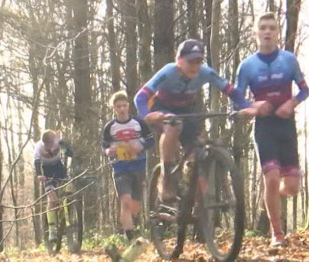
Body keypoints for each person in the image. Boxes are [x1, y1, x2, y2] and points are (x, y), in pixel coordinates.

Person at [135, 39, 242, 206]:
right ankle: (167, 177)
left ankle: (197, 199)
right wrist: (147, 115)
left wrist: (243, 107)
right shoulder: (168, 71)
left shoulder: (205, 73)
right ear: (179, 61)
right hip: (162, 108)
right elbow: (140, 97)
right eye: (190, 62)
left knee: (199, 147)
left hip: (187, 109)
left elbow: (231, 90)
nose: (195, 66)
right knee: (174, 125)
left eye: (198, 62)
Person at [235, 12, 309, 248]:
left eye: (272, 28)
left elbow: (305, 91)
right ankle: (277, 233)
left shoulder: (289, 60)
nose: (267, 32)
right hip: (264, 127)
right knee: (271, 177)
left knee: (291, 187)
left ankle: (270, 198)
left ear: (277, 33)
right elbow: (237, 103)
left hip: (286, 126)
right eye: (263, 28)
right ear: (256, 34)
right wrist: (253, 107)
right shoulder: (246, 66)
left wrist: (293, 103)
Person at [102, 91, 155, 241]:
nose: (122, 109)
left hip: (138, 166)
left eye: (124, 105)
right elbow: (104, 146)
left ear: (128, 106)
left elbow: (151, 140)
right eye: (118, 106)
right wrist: (108, 151)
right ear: (114, 108)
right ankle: (129, 235)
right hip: (120, 168)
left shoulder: (139, 123)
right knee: (125, 200)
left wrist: (140, 146)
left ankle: (135, 227)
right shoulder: (110, 127)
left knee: (135, 205)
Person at [34, 130, 74, 242]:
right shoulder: (38, 147)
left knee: (70, 190)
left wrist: (65, 148)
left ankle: (69, 216)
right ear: (44, 143)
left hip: (59, 169)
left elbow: (70, 153)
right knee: (52, 199)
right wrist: (39, 175)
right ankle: (52, 230)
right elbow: (37, 162)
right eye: (47, 144)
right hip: (46, 173)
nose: (50, 147)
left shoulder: (58, 142)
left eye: (52, 143)